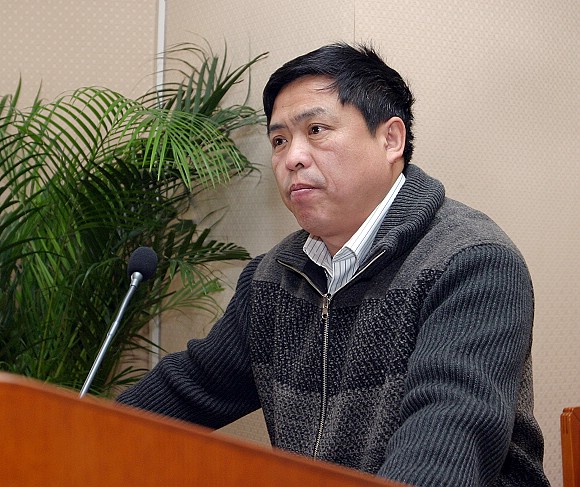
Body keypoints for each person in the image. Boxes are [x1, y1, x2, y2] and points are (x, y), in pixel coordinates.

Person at [117, 43, 550, 486]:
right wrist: (76, 436)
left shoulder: (471, 261)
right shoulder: (273, 277)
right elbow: (191, 386)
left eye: (316, 130)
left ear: (391, 139)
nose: (292, 158)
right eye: (279, 141)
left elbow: (445, 445)